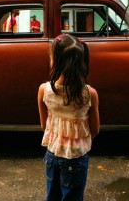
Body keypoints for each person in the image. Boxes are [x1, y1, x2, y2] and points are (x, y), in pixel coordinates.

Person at [37, 34, 100, 200]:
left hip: (52, 153)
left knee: (52, 195)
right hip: (76, 157)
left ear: (55, 61)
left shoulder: (44, 90)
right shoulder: (89, 94)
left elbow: (44, 126)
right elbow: (95, 130)